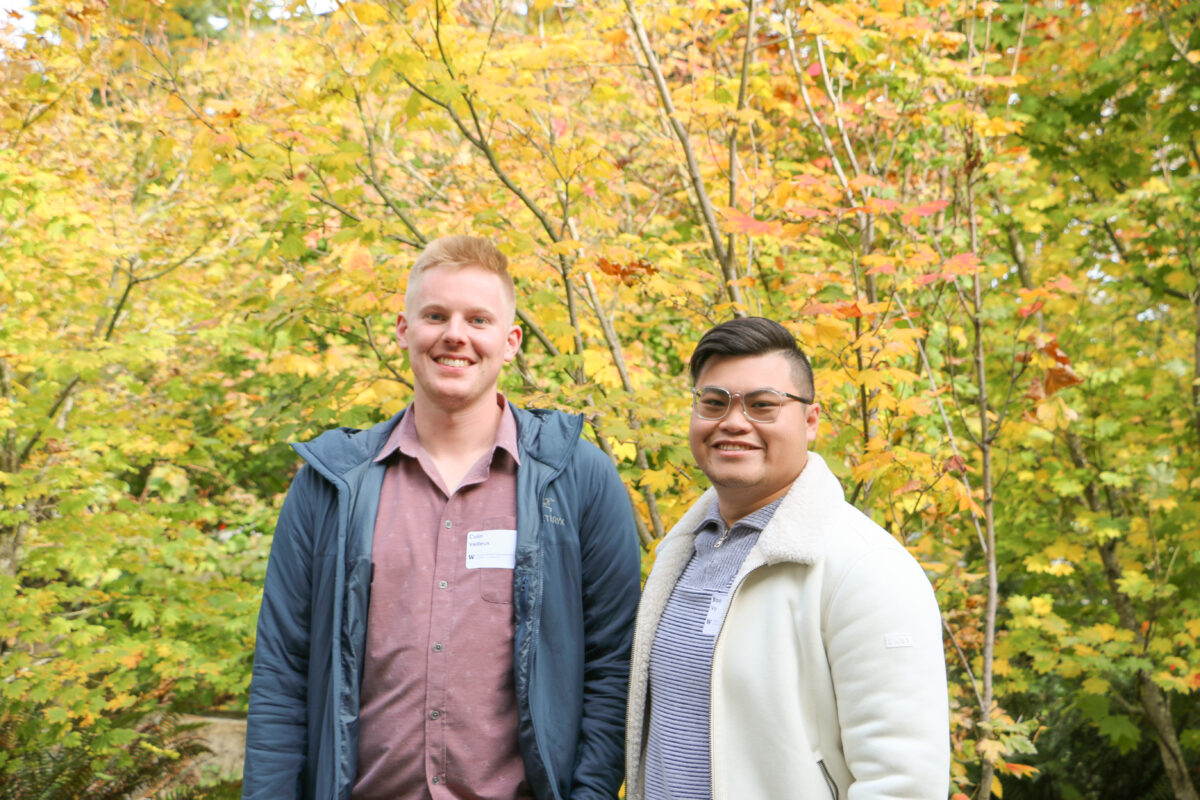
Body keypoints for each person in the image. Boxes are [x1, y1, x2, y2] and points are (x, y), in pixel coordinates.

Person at [244, 235, 642, 800]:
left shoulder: (576, 477)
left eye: (478, 319)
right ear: (405, 330)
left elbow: (612, 666)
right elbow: (283, 671)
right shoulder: (331, 485)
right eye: (435, 315)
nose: (455, 335)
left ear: (510, 343)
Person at [625, 317, 950, 799]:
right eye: (714, 403)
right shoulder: (687, 549)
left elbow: (905, 784)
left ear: (811, 420)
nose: (733, 422)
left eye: (762, 405)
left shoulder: (867, 568)